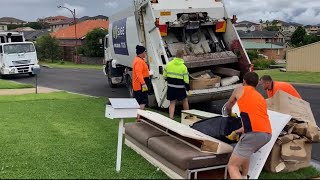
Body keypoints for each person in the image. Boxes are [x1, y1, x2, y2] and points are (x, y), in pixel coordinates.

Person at [225, 72, 272, 179]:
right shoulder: (260, 97)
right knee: (246, 152)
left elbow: (229, 106)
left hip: (254, 133)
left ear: (244, 81)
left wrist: (230, 115)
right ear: (256, 84)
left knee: (232, 166)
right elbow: (255, 121)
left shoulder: (239, 89)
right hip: (267, 134)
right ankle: (244, 176)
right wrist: (237, 131)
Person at [163, 49, 190, 119]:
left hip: (171, 87)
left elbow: (164, 76)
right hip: (180, 88)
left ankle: (171, 117)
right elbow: (186, 80)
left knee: (172, 102)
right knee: (185, 100)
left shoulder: (168, 64)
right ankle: (187, 116)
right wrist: (188, 88)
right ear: (182, 56)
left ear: (175, 55)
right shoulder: (184, 67)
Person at [132, 45, 150, 120]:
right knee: (142, 100)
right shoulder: (139, 61)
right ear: (142, 52)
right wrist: (143, 83)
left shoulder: (139, 60)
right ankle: (139, 117)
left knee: (141, 100)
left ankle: (139, 116)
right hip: (140, 85)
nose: (145, 53)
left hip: (140, 84)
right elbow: (139, 73)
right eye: (145, 51)